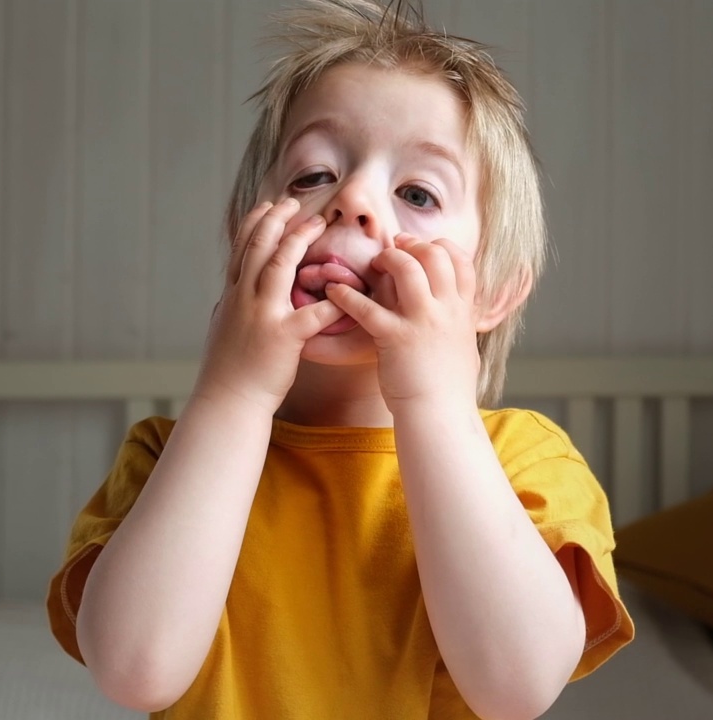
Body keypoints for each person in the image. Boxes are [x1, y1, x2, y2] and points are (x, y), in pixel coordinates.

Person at [46, 1, 634, 716]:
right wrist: (231, 395)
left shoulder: (526, 466)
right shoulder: (168, 460)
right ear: (242, 240)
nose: (351, 199)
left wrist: (435, 403)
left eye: (417, 192)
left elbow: (514, 687)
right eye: (310, 176)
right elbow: (136, 670)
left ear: (494, 292)